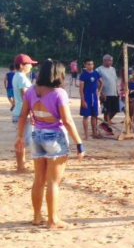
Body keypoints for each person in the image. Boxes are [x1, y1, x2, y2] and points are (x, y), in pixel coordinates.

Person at [15, 60, 84, 229]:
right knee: (53, 182)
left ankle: (37, 216)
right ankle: (53, 220)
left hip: (37, 135)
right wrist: (79, 143)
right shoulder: (58, 93)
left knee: (38, 179)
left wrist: (20, 137)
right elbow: (67, 120)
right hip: (55, 137)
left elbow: (23, 115)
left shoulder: (31, 91)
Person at [12, 54, 38, 172]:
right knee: (24, 140)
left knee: (22, 138)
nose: (31, 66)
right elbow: (25, 96)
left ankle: (21, 164)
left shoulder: (16, 76)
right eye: (29, 64)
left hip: (19, 111)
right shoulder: (22, 78)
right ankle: (20, 166)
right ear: (22, 65)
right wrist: (31, 112)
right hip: (23, 112)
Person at [78, 58, 103, 139]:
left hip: (94, 98)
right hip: (87, 97)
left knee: (94, 115)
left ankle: (94, 133)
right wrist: (83, 100)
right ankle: (86, 135)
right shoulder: (83, 75)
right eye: (88, 64)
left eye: (92, 64)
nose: (90, 66)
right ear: (85, 65)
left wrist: (99, 92)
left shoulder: (96, 73)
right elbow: (81, 89)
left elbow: (102, 82)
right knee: (85, 116)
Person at [96, 54, 120, 123]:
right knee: (107, 110)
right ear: (104, 61)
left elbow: (114, 80)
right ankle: (107, 123)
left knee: (115, 109)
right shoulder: (99, 70)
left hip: (114, 93)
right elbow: (97, 82)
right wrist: (101, 93)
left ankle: (106, 121)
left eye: (111, 61)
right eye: (109, 61)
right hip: (105, 93)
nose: (111, 62)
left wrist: (117, 92)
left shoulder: (113, 69)